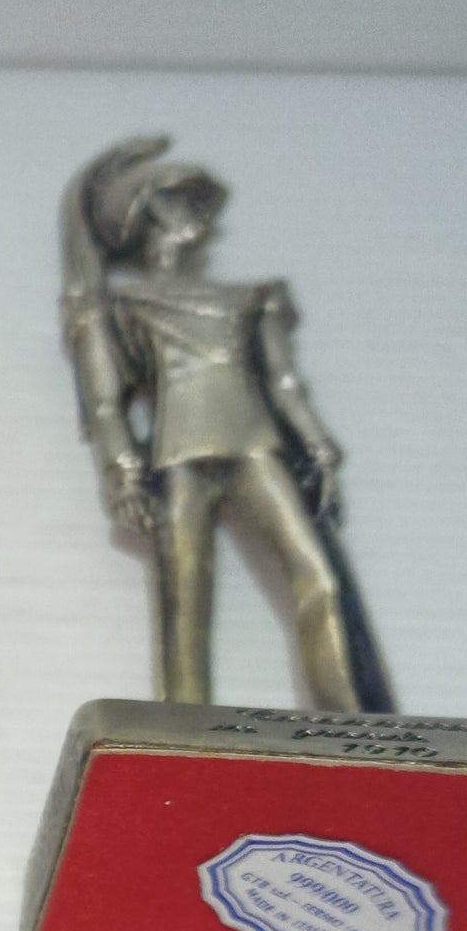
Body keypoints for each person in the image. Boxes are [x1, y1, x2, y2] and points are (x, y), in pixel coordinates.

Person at [60, 136, 392, 712]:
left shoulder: (251, 299)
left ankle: (353, 729)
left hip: (256, 448)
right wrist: (122, 474)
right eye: (179, 203)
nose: (197, 218)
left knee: (321, 579)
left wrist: (319, 449)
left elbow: (284, 384)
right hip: (177, 459)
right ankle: (184, 741)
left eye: (196, 205)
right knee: (183, 608)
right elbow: (107, 402)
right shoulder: (123, 309)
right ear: (151, 216)